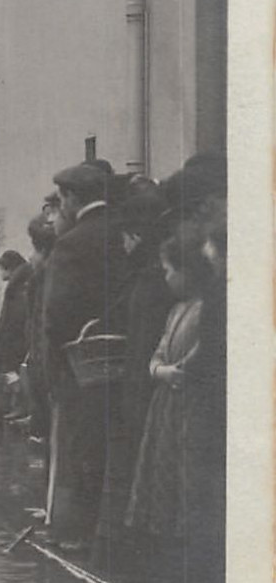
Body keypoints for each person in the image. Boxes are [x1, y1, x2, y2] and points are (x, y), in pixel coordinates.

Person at [41, 162, 133, 550]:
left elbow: (56, 312)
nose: (60, 207)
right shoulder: (125, 231)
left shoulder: (72, 243)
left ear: (73, 198)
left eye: (62, 199)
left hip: (82, 360)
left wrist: (55, 363)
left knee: (80, 445)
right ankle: (112, 531)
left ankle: (76, 532)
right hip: (127, 353)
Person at [124, 229, 211, 583]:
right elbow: (157, 353)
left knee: (183, 489)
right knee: (160, 486)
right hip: (166, 406)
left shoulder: (206, 310)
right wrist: (162, 371)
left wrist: (180, 371)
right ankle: (166, 579)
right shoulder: (175, 310)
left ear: (188, 271)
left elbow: (205, 351)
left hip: (188, 409)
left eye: (168, 270)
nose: (165, 277)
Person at [95, 185, 173, 561]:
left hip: (143, 388)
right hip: (142, 384)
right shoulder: (149, 274)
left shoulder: (149, 278)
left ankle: (135, 561)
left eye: (125, 237)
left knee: (142, 477)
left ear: (136, 235)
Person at [21, 215, 59, 440]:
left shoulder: (46, 277)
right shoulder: (41, 276)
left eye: (34, 250)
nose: (30, 257)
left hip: (46, 360)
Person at [0, 250, 31, 415]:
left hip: (14, 337)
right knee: (11, 370)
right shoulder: (19, 283)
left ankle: (14, 405)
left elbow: (14, 316)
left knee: (11, 370)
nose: (0, 273)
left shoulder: (17, 287)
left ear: (9, 268)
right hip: (14, 336)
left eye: (2, 269)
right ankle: (9, 404)